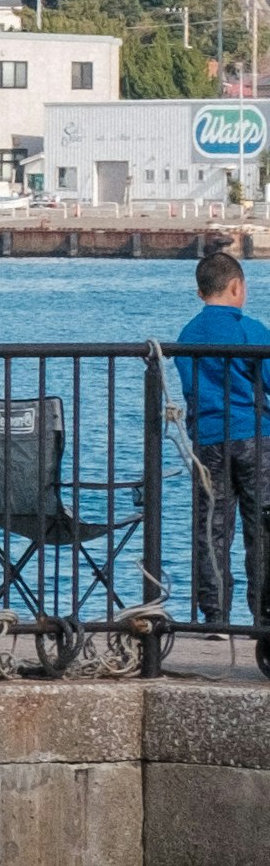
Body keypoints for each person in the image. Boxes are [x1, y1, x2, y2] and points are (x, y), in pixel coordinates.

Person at [172, 239, 270, 641]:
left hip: (208, 439)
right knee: (261, 525)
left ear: (200, 292)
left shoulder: (187, 334)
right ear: (237, 287)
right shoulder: (252, 331)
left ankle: (214, 617)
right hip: (255, 436)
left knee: (211, 528)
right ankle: (262, 616)